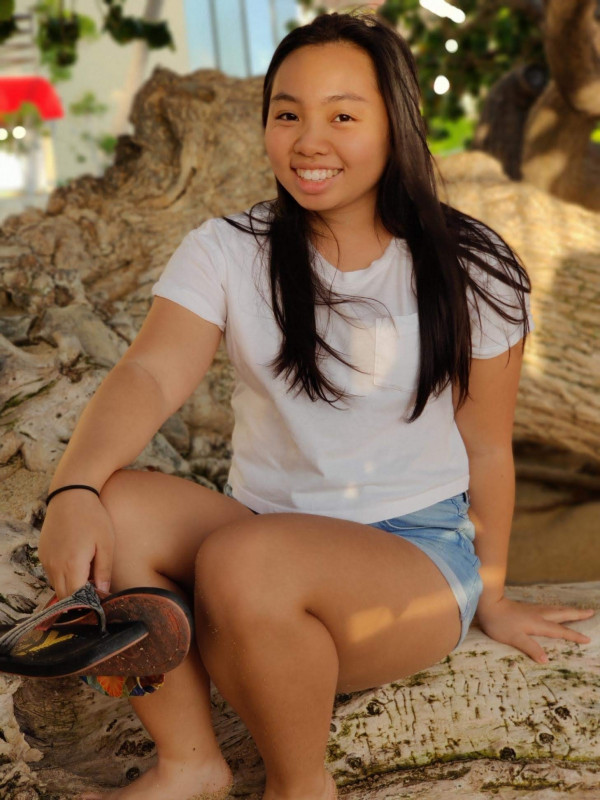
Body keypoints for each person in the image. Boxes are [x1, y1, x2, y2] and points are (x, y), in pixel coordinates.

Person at [38, 10, 595, 800]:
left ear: (395, 124)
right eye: (288, 114)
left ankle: (301, 786)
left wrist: (494, 595)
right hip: (262, 540)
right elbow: (151, 375)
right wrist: (75, 489)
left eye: (342, 115)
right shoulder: (229, 249)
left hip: (413, 557)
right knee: (119, 507)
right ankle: (191, 763)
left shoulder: (472, 266)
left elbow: (489, 446)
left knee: (244, 564)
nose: (309, 140)